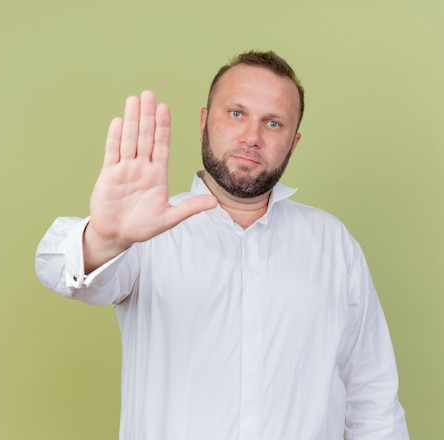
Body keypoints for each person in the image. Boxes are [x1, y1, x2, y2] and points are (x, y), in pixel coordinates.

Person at [35, 50, 409, 439]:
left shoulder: (332, 245)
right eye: (236, 113)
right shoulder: (145, 234)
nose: (252, 137)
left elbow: (373, 399)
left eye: (274, 123)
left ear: (293, 143)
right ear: (204, 121)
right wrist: (104, 238)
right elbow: (60, 271)